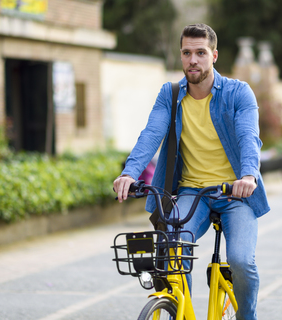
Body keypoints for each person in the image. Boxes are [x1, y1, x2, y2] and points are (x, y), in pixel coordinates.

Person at [113, 23, 269, 320]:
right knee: (171, 251)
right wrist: (130, 172)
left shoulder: (238, 93)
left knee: (240, 260)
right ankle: (181, 312)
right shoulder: (170, 95)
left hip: (234, 194)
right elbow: (151, 134)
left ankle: (247, 316)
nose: (193, 60)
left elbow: (249, 137)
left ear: (214, 56)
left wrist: (248, 175)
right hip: (191, 192)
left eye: (200, 52)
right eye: (186, 53)